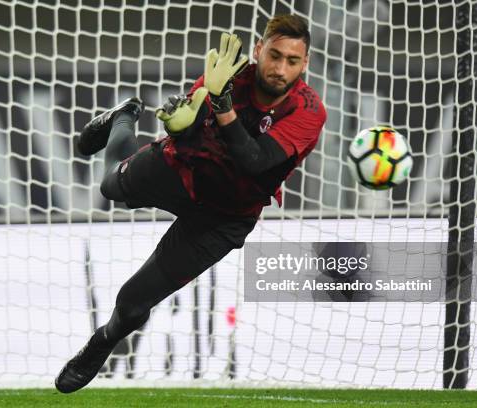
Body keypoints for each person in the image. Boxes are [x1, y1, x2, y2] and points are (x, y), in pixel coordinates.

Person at [55, 14, 326, 393]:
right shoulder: (229, 75)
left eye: (292, 61)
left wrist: (221, 103)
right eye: (274, 56)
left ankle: (102, 342)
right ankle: (124, 116)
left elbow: (255, 160)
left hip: (223, 217)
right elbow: (189, 117)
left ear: (305, 63)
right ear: (259, 49)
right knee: (109, 187)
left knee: (132, 302)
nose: (280, 69)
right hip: (181, 169)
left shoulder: (308, 112)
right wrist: (183, 117)